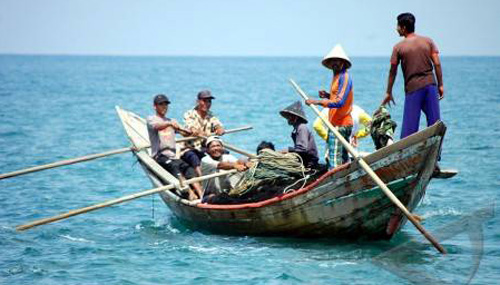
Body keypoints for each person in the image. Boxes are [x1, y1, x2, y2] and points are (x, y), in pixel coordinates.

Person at [382, 12, 444, 139]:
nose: (396, 29)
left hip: (413, 88)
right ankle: (435, 155)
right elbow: (437, 64)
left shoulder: (398, 47)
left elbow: (392, 71)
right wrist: (441, 85)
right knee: (435, 124)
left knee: (409, 130)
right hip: (430, 85)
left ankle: (406, 156)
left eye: (398, 26)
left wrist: (388, 92)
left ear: (403, 27)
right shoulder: (428, 41)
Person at [146, 94, 203, 201]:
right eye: (161, 104)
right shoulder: (151, 119)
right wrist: (169, 123)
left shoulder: (171, 120)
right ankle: (190, 193)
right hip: (159, 156)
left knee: (189, 169)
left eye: (166, 104)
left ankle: (201, 196)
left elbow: (184, 133)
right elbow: (157, 126)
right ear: (155, 106)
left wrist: (192, 132)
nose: (164, 107)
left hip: (173, 156)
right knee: (174, 167)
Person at [306, 44, 354, 169]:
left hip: (341, 124)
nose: (334, 64)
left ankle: (337, 185)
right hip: (336, 123)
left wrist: (317, 102)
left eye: (337, 61)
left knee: (334, 161)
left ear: (343, 63)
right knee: (343, 159)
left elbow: (339, 102)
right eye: (332, 61)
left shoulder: (345, 77)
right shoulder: (337, 77)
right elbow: (336, 98)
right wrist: (327, 96)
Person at [181, 90, 225, 177]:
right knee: (193, 157)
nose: (207, 103)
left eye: (209, 101)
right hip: (191, 148)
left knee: (224, 153)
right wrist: (198, 132)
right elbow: (191, 127)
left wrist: (220, 129)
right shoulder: (189, 114)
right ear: (198, 101)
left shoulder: (211, 115)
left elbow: (217, 124)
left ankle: (225, 176)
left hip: (205, 148)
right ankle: (203, 180)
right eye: (204, 101)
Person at [201, 136, 251, 203]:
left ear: (222, 148)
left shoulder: (227, 157)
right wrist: (235, 166)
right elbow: (220, 165)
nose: (216, 148)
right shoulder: (205, 160)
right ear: (208, 150)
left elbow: (238, 161)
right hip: (210, 194)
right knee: (219, 198)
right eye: (213, 146)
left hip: (227, 192)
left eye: (218, 146)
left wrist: (246, 161)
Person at [279, 101, 319, 169]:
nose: (288, 119)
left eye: (290, 116)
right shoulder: (297, 128)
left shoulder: (301, 128)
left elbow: (302, 149)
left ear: (296, 117)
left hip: (310, 162)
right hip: (304, 160)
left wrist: (288, 150)